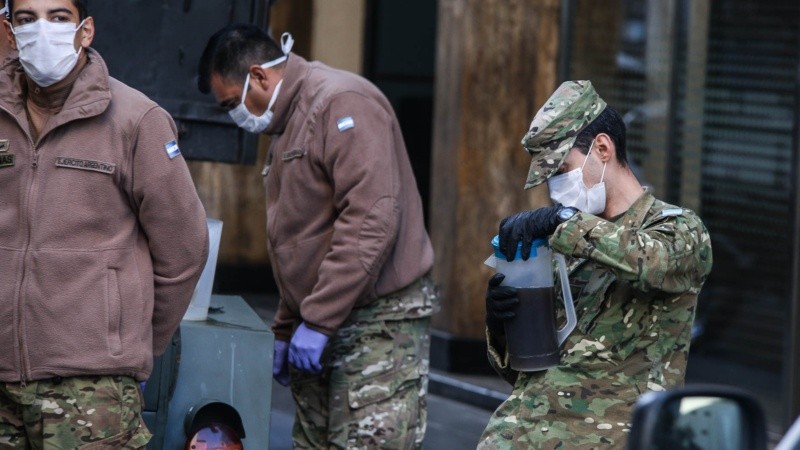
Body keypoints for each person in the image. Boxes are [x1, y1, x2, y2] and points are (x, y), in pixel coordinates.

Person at [197, 24, 437, 449]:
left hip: (376, 321)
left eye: (233, 103)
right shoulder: (288, 122)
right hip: (321, 319)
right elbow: (300, 239)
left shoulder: (342, 102)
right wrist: (286, 327)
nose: (235, 116)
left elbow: (371, 218)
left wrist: (318, 321)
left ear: (259, 76)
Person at [0, 0, 209, 447]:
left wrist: (132, 345)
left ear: (86, 30)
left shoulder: (136, 119)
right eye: (26, 19)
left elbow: (185, 248)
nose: (42, 30)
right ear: (9, 31)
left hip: (92, 388)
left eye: (59, 17)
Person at [478, 80, 713, 449]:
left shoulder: (678, 228)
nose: (555, 189)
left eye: (561, 170)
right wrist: (502, 322)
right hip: (519, 434)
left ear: (602, 148)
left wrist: (564, 221)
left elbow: (655, 262)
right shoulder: (565, 242)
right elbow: (526, 370)